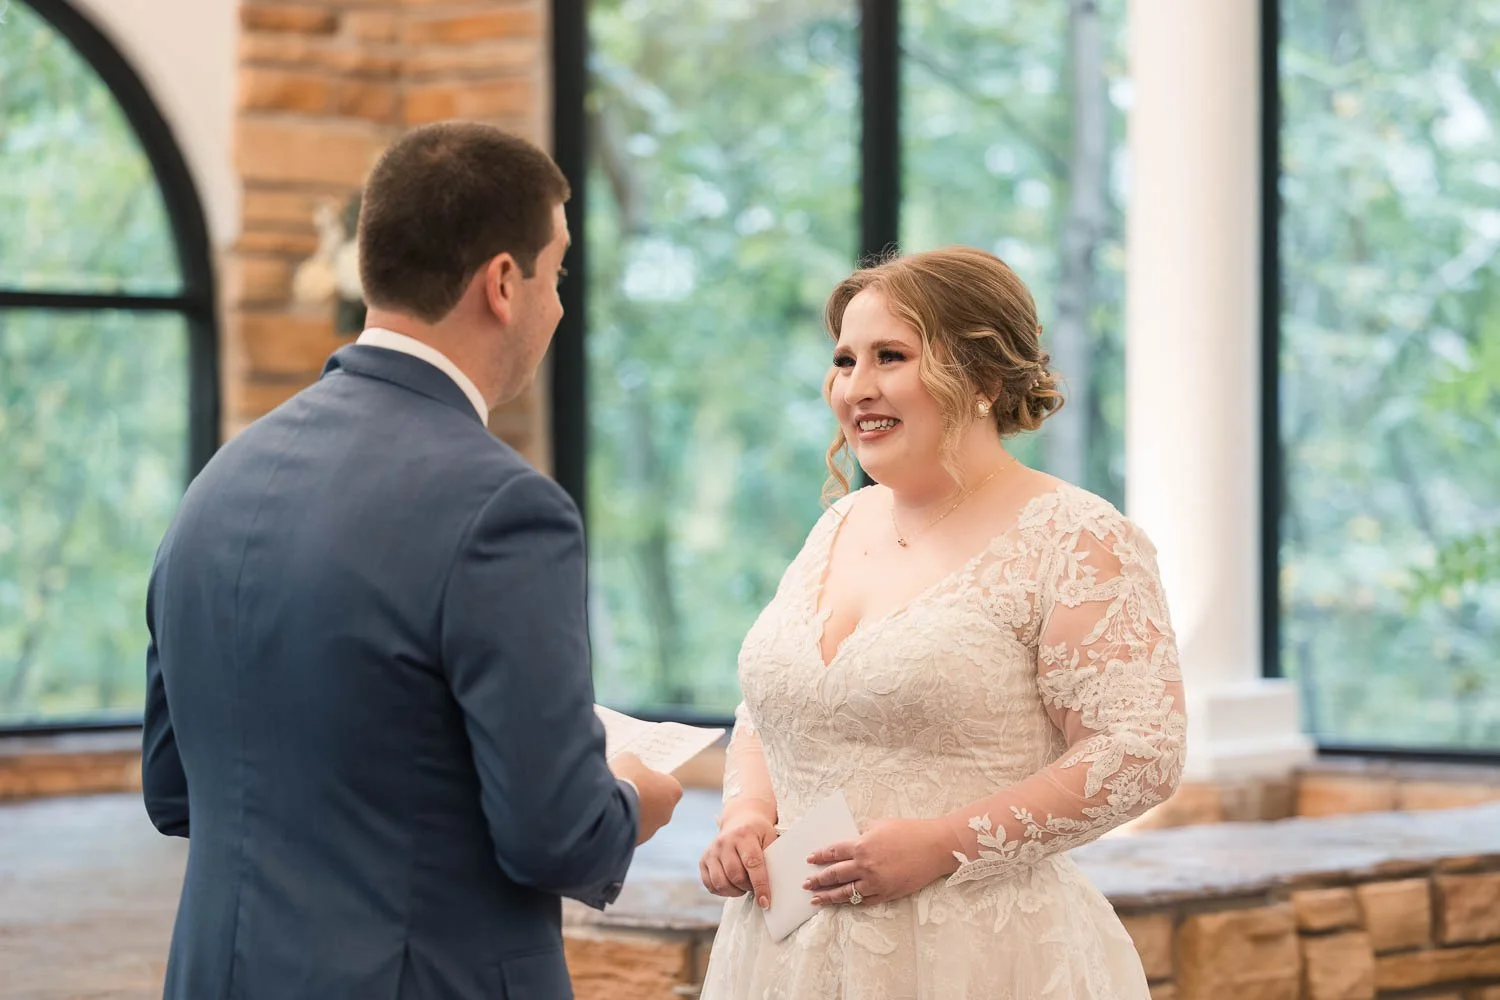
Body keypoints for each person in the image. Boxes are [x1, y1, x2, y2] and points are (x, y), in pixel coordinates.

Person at [142, 121, 682, 1000]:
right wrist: (630, 796)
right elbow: (557, 836)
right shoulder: (506, 509)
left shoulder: (218, 483)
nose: (557, 305)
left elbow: (174, 790)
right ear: (502, 283)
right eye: (557, 273)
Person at [696, 246, 1186, 999]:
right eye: (845, 360)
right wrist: (747, 813)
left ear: (983, 379)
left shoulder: (1075, 536)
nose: (856, 387)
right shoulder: (839, 525)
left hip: (978, 956)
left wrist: (944, 845)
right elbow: (774, 705)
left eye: (890, 356)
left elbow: (1141, 751)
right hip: (782, 956)